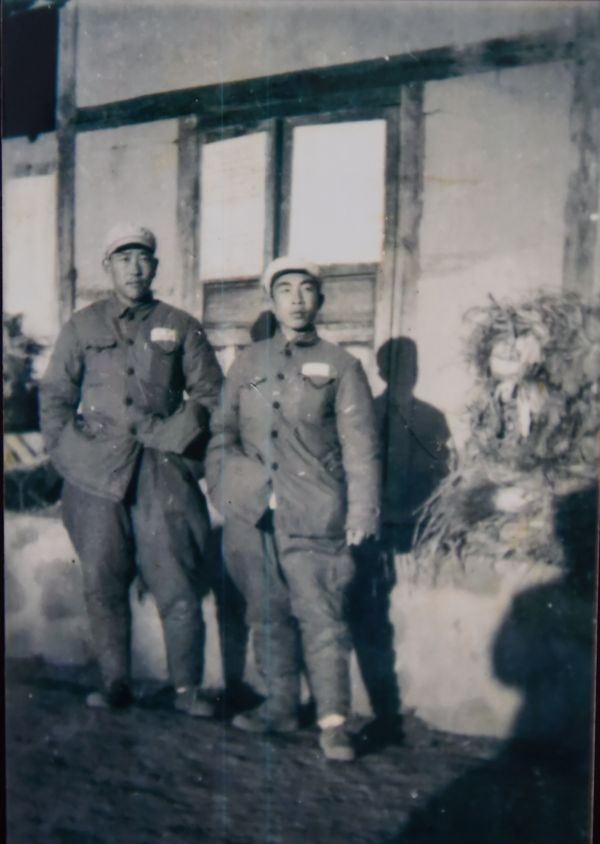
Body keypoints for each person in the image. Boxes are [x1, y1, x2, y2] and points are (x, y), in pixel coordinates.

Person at [40, 223, 223, 714]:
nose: (135, 268)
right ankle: (115, 681)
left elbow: (211, 394)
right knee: (102, 579)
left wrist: (176, 438)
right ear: (109, 267)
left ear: (155, 266)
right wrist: (68, 453)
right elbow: (55, 395)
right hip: (94, 476)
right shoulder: (82, 326)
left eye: (143, 258)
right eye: (124, 259)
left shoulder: (180, 325)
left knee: (177, 580)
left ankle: (186, 689)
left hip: (162, 471)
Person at [205, 256, 381, 761]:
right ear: (271, 300)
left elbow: (361, 449)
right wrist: (238, 491)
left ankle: (334, 723)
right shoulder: (247, 364)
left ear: (320, 299)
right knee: (265, 612)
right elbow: (221, 437)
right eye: (286, 290)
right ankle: (279, 706)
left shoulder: (342, 366)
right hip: (252, 512)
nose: (297, 299)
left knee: (322, 616)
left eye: (307, 289)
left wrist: (361, 512)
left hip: (314, 512)